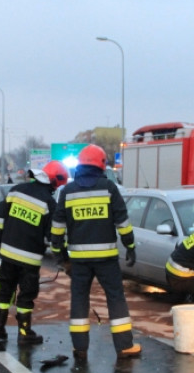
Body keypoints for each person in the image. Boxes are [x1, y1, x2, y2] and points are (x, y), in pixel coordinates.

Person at [50, 144, 141, 360]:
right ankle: (124, 346)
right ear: (101, 165)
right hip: (107, 259)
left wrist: (60, 256)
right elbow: (123, 222)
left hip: (79, 261)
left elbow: (57, 229)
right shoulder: (109, 187)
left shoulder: (68, 191)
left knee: (79, 300)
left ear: (80, 166)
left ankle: (80, 348)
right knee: (115, 298)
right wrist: (130, 246)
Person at [0, 160, 69, 345]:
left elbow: (0, 220)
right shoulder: (49, 202)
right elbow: (53, 235)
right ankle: (24, 334)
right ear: (54, 182)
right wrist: (61, 256)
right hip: (30, 258)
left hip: (8, 254)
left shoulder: (16, 190)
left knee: (4, 291)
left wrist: (2, 242)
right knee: (26, 295)